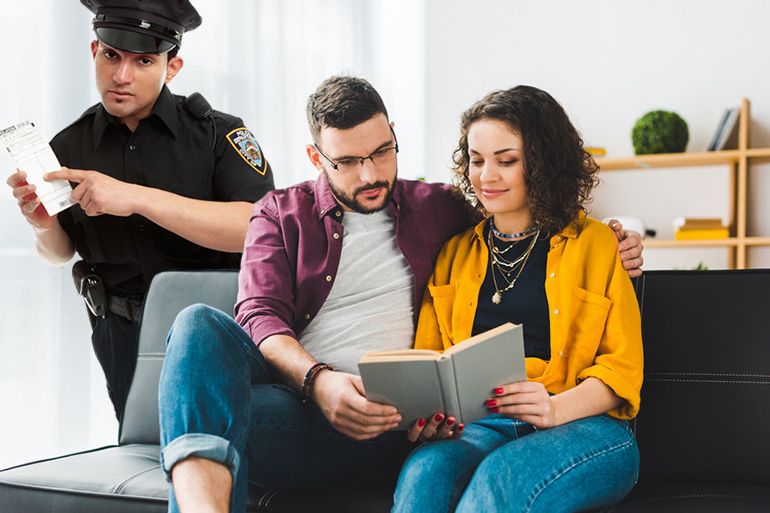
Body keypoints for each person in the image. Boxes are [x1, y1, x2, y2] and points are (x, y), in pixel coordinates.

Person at [157, 76, 643, 513]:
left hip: (523, 419)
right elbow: (263, 316)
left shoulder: (460, 215)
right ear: (316, 158)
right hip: (345, 411)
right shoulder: (288, 216)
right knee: (198, 325)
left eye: (381, 152)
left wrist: (621, 240)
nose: (369, 174)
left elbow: (618, 363)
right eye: (347, 162)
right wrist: (331, 386)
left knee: (489, 481)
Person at [5, 0, 275, 420]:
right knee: (141, 460)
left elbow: (257, 231)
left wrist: (133, 198)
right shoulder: (69, 146)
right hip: (120, 334)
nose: (121, 76)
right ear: (94, 51)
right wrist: (43, 228)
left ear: (172, 68)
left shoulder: (219, 134)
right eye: (112, 55)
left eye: (143, 60)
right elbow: (61, 254)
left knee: (216, 451)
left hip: (211, 329)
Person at [391, 85, 643, 513]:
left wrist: (554, 409)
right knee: (424, 472)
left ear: (543, 164)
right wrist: (427, 418)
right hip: (481, 425)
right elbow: (429, 363)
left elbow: (622, 373)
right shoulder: (452, 255)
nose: (486, 175)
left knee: (500, 478)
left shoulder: (599, 243)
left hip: (586, 425)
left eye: (506, 161)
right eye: (476, 160)